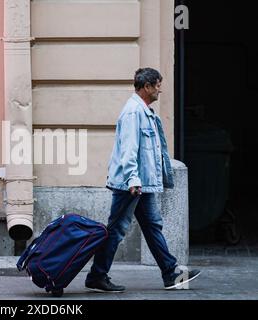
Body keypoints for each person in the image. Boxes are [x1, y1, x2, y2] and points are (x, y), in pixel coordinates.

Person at [85, 68, 201, 292]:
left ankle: (170, 273)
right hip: (131, 185)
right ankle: (96, 276)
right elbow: (129, 150)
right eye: (157, 85)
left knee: (152, 226)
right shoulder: (133, 112)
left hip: (142, 184)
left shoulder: (145, 111)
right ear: (146, 87)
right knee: (116, 229)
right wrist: (132, 180)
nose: (160, 89)